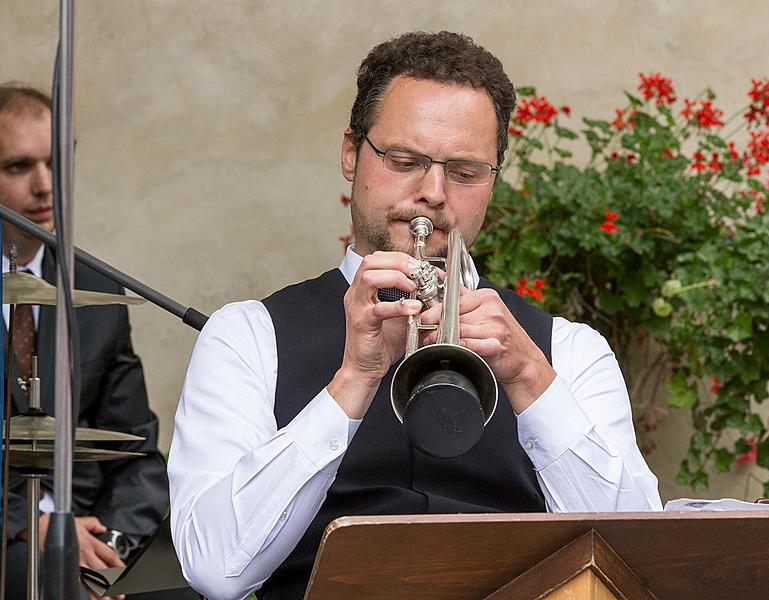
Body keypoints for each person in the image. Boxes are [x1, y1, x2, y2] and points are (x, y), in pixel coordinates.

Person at [168, 31, 663, 600]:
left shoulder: (570, 350)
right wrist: (351, 381)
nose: (433, 193)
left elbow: (638, 559)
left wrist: (531, 379)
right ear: (352, 153)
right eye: (405, 161)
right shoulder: (248, 336)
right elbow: (214, 571)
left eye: (465, 172)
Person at [0, 85, 172, 599]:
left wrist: (107, 546)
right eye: (19, 167)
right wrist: (27, 523)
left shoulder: (99, 286)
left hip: (86, 542)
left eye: (55, 163)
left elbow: (138, 451)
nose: (45, 186)